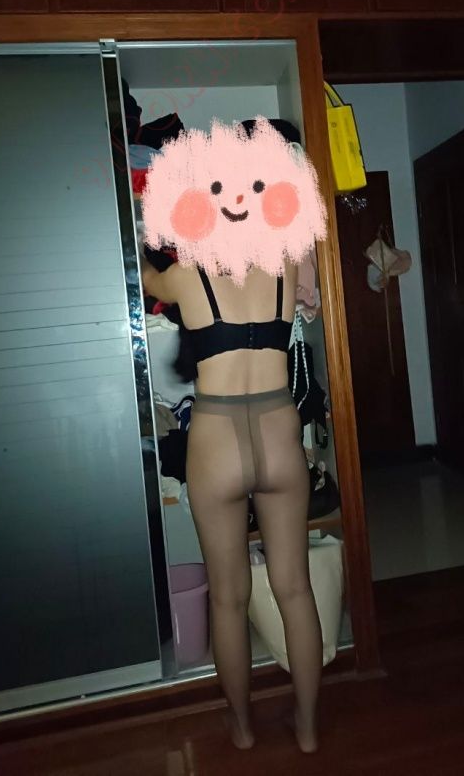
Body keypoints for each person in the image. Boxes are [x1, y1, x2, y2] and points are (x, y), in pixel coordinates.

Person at [139, 119, 327, 753]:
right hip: (278, 429)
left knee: (227, 597)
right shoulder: (287, 262)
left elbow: (143, 272)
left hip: (217, 434)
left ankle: (243, 730)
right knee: (294, 589)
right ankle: (307, 730)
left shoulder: (188, 272)